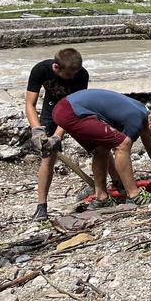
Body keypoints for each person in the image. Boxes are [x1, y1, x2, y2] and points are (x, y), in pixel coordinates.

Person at [51, 89, 151, 208]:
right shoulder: (136, 119)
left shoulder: (142, 111)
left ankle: (102, 198)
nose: (150, 136)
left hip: (63, 109)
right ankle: (134, 195)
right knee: (122, 145)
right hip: (73, 112)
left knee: (101, 148)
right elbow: (122, 149)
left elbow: (150, 146)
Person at [24, 48, 89, 221]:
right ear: (55, 67)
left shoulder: (81, 75)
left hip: (74, 110)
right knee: (48, 157)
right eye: (68, 75)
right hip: (51, 109)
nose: (72, 78)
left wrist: (58, 136)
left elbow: (73, 107)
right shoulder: (41, 70)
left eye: (74, 74)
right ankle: (41, 206)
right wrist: (37, 130)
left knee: (96, 146)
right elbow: (30, 104)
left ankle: (113, 186)